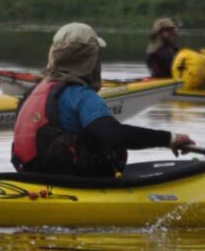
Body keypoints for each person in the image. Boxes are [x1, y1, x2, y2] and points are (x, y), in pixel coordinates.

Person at [12, 22, 195, 176]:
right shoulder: (82, 96)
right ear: (90, 59)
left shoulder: (33, 91)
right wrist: (169, 139)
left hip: (30, 173)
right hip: (66, 177)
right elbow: (114, 135)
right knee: (112, 148)